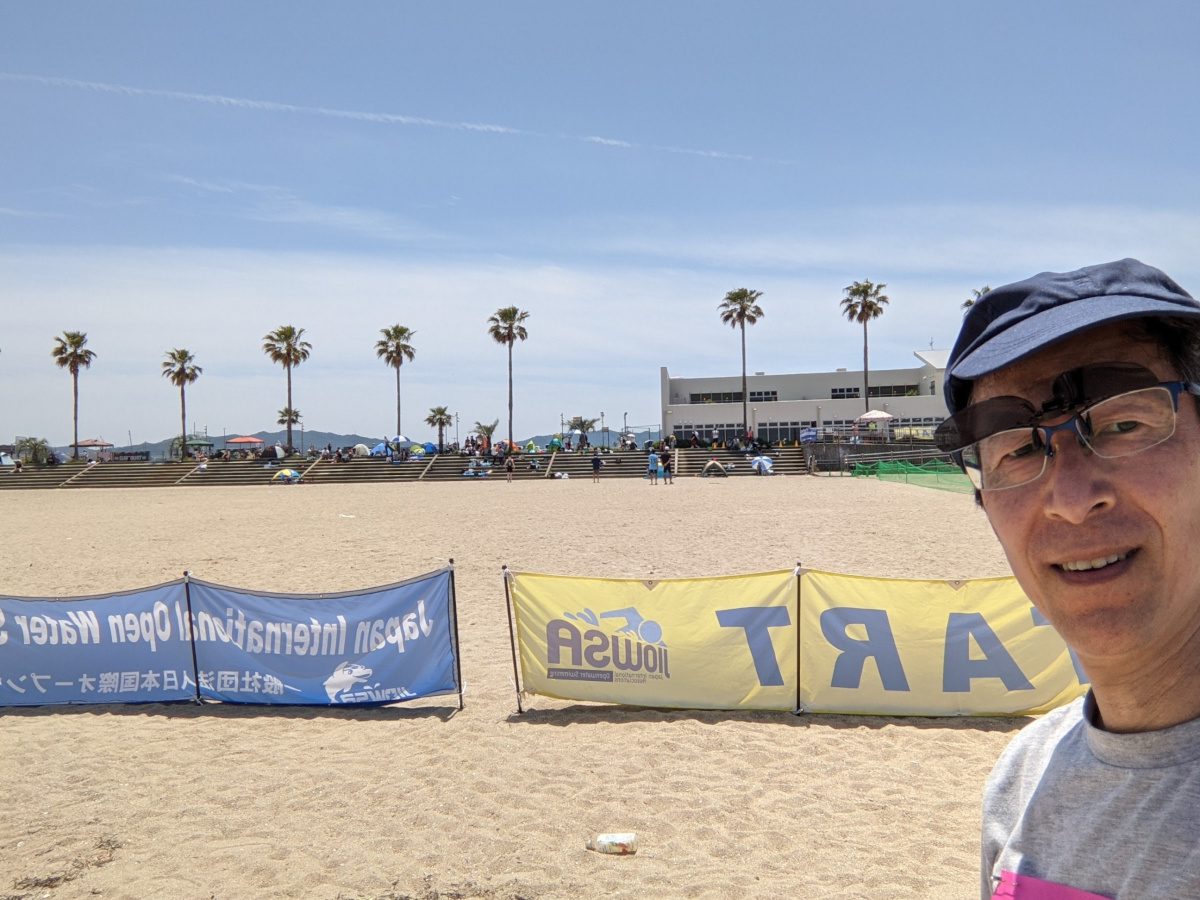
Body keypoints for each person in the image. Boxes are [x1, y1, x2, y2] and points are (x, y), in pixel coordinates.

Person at [934, 259, 1200, 899]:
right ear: (987, 506)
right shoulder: (1022, 780)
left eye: (1123, 424)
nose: (1073, 500)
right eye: (1019, 447)